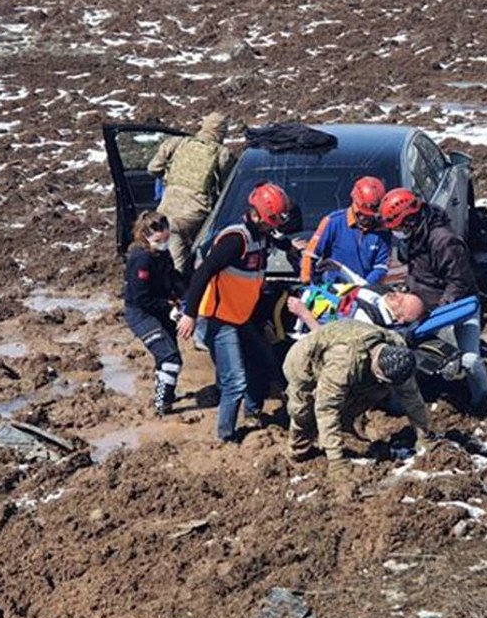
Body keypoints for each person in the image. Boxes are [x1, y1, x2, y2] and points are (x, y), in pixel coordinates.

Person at [176, 183, 291, 444]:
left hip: (240, 316)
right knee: (235, 380)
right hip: (218, 319)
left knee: (261, 361)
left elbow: (274, 240)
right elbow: (203, 272)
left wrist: (290, 248)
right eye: (271, 221)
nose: (273, 227)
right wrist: (190, 313)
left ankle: (253, 413)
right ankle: (226, 436)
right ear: (256, 214)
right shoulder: (235, 240)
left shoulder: (261, 234)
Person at [380, 188, 487, 415]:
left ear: (411, 220)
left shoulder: (444, 242)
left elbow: (459, 283)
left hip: (457, 308)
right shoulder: (414, 237)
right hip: (423, 306)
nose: (398, 233)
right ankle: (399, 406)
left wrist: (438, 317)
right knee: (400, 351)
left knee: (469, 360)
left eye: (399, 228)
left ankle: (483, 403)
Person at [283, 320, 433, 482]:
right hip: (305, 363)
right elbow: (326, 409)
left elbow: (412, 398)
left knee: (369, 395)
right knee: (304, 412)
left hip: (351, 362)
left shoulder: (399, 353)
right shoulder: (344, 361)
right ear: (377, 369)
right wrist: (336, 461)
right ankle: (297, 450)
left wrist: (424, 437)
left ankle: (344, 431)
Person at [147, 111, 234, 275]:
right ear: (222, 132)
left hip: (165, 213)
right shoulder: (222, 154)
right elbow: (226, 188)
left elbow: (153, 168)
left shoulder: (176, 143)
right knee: (184, 267)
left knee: (162, 259)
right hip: (194, 218)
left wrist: (169, 178)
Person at [122, 212, 185, 415]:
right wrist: (168, 307)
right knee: (170, 357)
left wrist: (183, 291)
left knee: (165, 356)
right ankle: (162, 404)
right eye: (159, 240)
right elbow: (141, 298)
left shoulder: (162, 254)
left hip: (161, 308)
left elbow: (170, 276)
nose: (164, 243)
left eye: (167, 238)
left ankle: (165, 392)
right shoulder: (141, 260)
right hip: (141, 313)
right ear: (146, 236)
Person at [300, 176, 391, 286]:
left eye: (369, 216)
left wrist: (364, 287)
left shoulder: (383, 230)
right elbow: (310, 255)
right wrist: (307, 283)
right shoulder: (333, 222)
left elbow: (381, 267)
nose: (364, 218)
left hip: (366, 289)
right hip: (334, 289)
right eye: (360, 214)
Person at [286, 284, 425, 334]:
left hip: (294, 317)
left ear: (399, 320)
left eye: (402, 303)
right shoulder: (381, 292)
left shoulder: (367, 324)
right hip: (298, 292)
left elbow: (328, 340)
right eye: (404, 294)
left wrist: (303, 313)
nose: (398, 295)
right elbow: (358, 284)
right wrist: (340, 268)